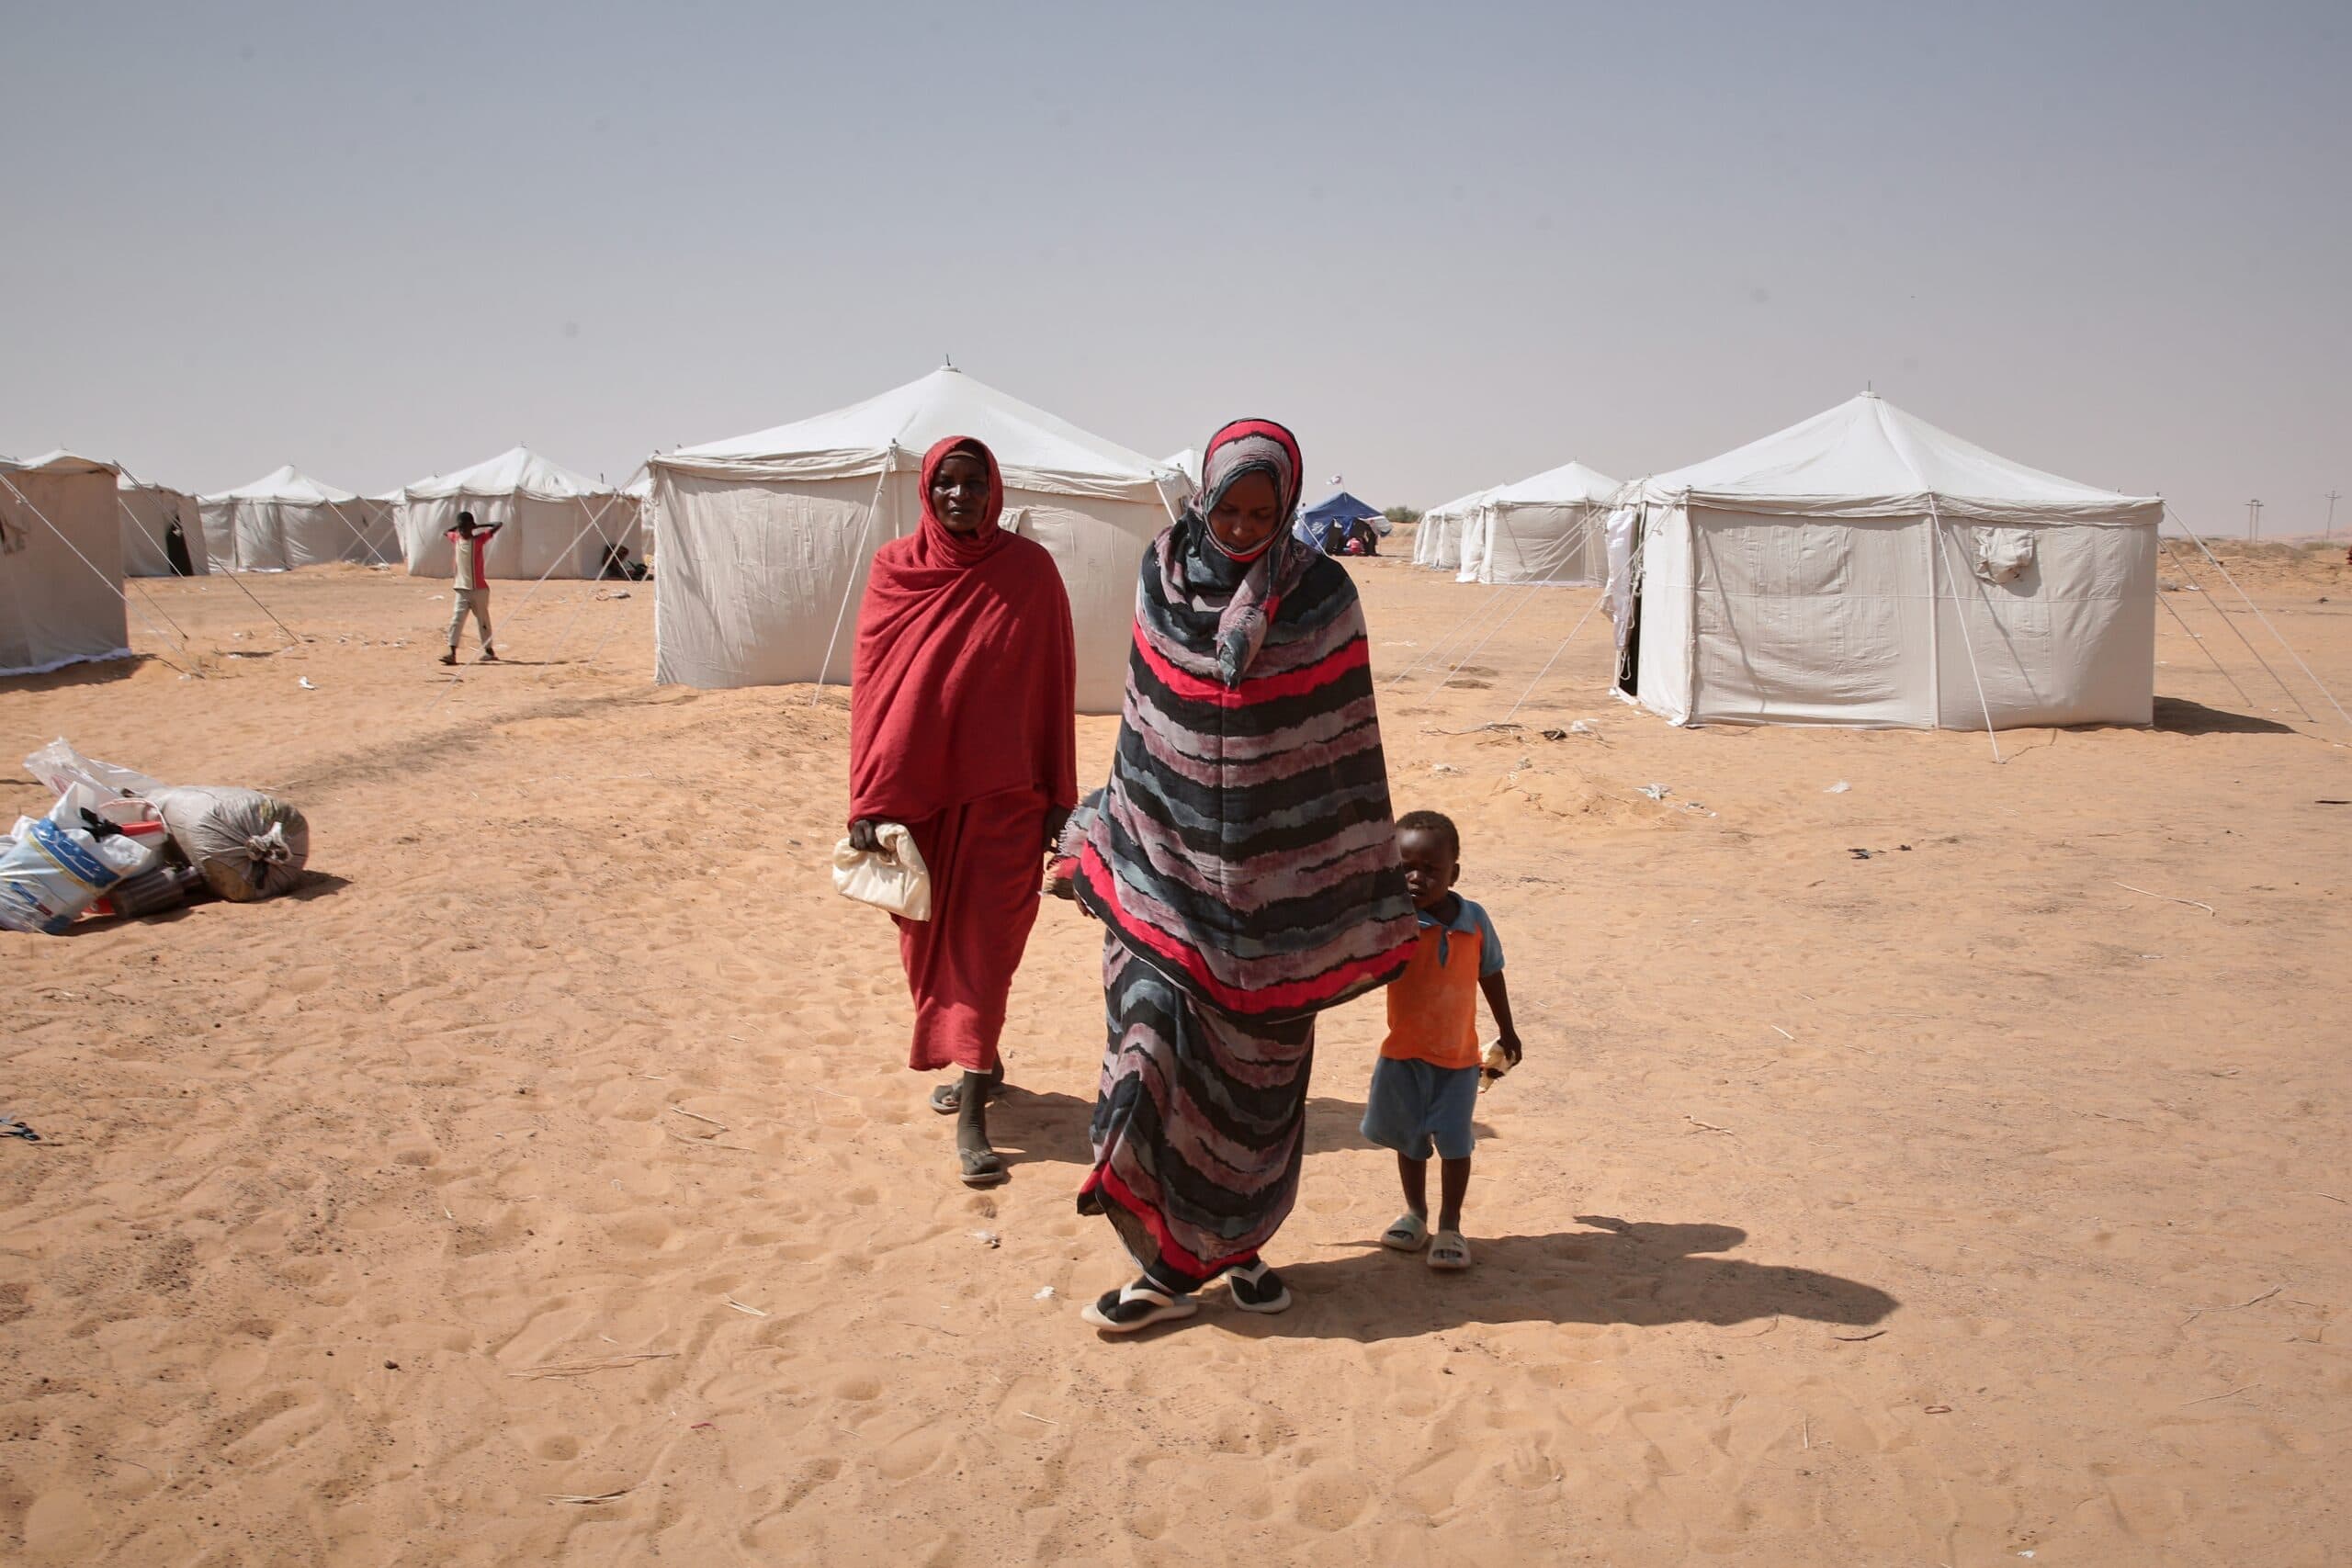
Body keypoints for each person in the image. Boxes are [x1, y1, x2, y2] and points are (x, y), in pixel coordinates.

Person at [1071, 418, 1418, 1333]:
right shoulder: (1162, 574)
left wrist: (1345, 883)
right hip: (1163, 878)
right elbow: (1147, 724)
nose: (1242, 528)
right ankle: (1165, 1268)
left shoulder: (1325, 597)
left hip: (1278, 907)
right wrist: (1117, 833)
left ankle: (1239, 1246)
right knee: (1150, 1051)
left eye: (1263, 515)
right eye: (1230, 510)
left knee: (1253, 1098)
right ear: (1204, 497)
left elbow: (1343, 750)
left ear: (1288, 507)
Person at [847, 435, 1077, 1189]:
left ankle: (974, 1109)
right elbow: (874, 691)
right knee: (926, 948)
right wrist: (868, 798)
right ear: (927, 488)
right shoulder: (894, 570)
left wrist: (1060, 799)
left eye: (974, 483)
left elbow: (1054, 685)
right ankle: (987, 1057)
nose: (960, 496)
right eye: (946, 482)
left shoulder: (1030, 571)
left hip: (1009, 797)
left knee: (984, 950)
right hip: (919, 799)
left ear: (994, 489)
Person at [1363, 809, 1522, 1271]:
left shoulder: (1475, 920)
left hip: (1457, 1062)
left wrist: (1508, 1029)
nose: (1416, 878)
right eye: (1405, 868)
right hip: (1403, 1057)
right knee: (1409, 1143)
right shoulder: (1394, 922)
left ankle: (1450, 1226)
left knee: (1455, 1146)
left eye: (1431, 869)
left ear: (1454, 873)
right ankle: (1415, 1215)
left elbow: (1490, 973)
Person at [442, 511, 503, 664]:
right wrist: (461, 526)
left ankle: (489, 651)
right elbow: (446, 531)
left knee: (483, 621)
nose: (462, 531)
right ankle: (452, 653)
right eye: (461, 528)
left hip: (479, 589)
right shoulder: (456, 538)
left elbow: (498, 524)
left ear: (472, 527)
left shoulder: (479, 540)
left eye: (466, 528)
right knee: (457, 620)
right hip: (461, 589)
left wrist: (477, 526)